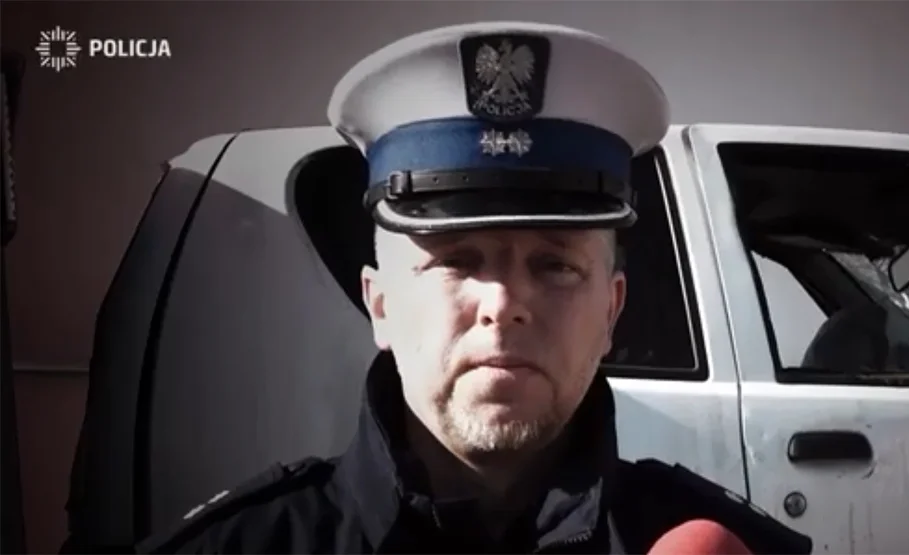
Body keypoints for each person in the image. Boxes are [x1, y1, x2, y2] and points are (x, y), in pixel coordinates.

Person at [138, 21, 813, 554]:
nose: (504, 304)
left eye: (555, 266)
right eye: (456, 261)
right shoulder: (242, 543)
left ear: (612, 310)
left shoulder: (713, 543)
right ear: (380, 304)